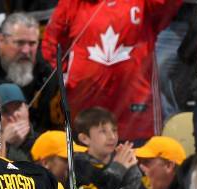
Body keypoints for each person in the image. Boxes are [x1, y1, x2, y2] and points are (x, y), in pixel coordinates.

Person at [42, 0, 183, 142]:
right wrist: (66, 78)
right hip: (84, 110)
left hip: (134, 115)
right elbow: (51, 45)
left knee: (137, 159)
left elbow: (168, 4)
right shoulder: (73, 3)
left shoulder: (143, 3)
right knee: (83, 159)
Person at [0, 82, 36, 161]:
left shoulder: (42, 140)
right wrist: (4, 143)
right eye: (5, 111)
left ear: (26, 108)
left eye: (18, 107)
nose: (15, 114)